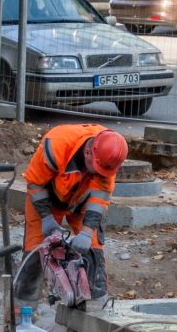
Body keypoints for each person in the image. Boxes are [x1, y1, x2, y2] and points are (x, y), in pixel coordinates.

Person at [14, 124, 129, 310]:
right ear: (89, 152)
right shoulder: (56, 145)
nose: (100, 174)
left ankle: (95, 309)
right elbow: (35, 183)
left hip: (82, 200)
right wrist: (46, 217)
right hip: (47, 196)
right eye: (97, 168)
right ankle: (20, 312)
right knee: (35, 252)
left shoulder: (109, 158)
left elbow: (99, 200)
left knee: (93, 252)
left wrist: (87, 231)